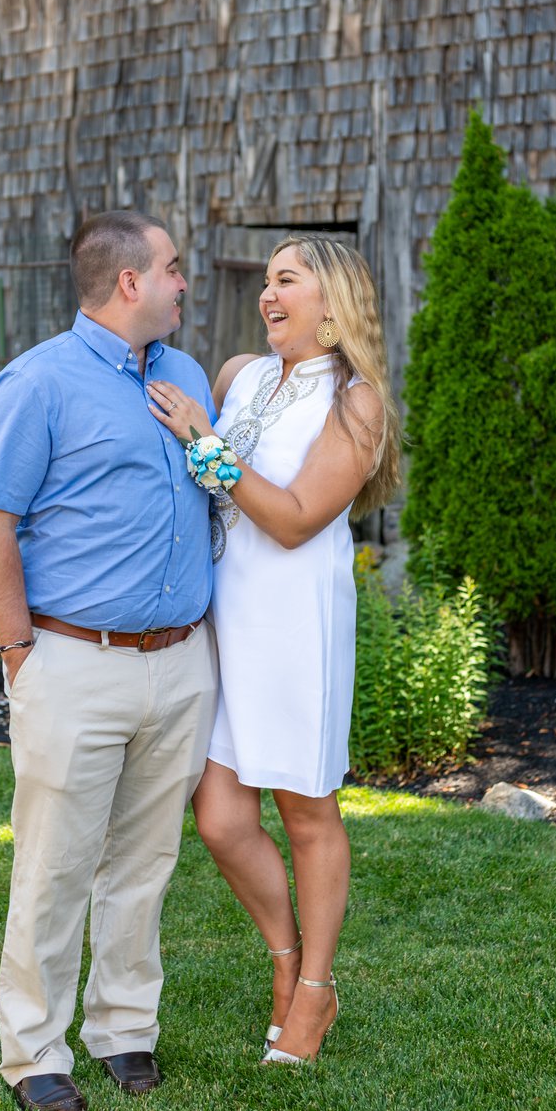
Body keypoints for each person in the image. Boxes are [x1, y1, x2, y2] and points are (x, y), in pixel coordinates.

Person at [0, 210, 217, 1111]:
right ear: (129, 283)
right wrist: (18, 654)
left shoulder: (187, 376)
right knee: (56, 862)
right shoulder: (36, 383)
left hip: (182, 661)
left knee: (146, 859)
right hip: (72, 660)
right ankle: (34, 1049)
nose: (185, 283)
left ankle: (124, 1029)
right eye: (174, 268)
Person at [147, 236, 400, 1064]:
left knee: (307, 814)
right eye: (266, 280)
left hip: (294, 629)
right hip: (224, 621)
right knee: (219, 818)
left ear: (334, 301)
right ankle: (287, 961)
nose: (268, 293)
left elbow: (294, 519)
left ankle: (315, 994)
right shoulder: (238, 374)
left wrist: (201, 442)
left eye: (287, 279)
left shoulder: (355, 402)